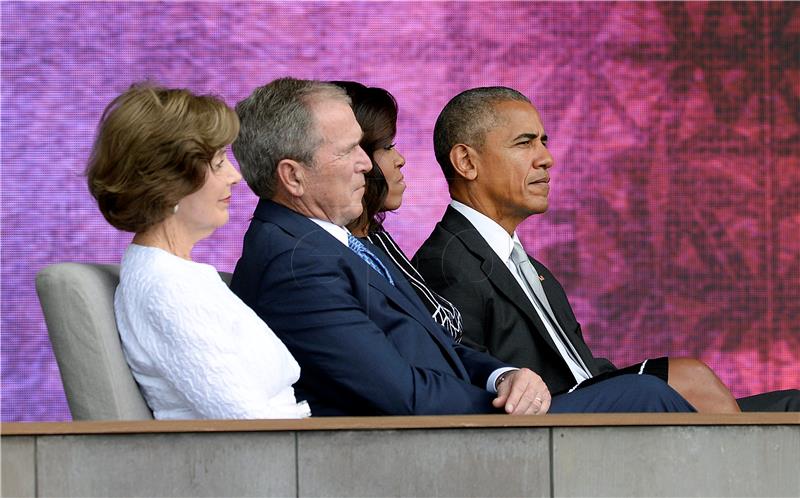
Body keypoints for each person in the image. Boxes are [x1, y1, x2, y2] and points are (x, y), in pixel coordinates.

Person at [230, 76, 695, 417]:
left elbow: (436, 346)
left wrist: (503, 376)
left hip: (468, 416)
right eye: (350, 151)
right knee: (646, 396)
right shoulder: (296, 263)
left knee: (656, 392)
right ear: (293, 175)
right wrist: (502, 404)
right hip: (443, 440)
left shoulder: (331, 243)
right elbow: (400, 395)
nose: (365, 165)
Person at [336, 82, 743, 413]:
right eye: (525, 143)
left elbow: (586, 368)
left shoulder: (532, 266)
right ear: (467, 162)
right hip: (545, 427)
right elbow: (463, 369)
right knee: (683, 378)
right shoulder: (447, 264)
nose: (546, 158)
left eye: (544, 142)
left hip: (587, 405)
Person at [85, 83, 310, 420]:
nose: (235, 176)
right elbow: (248, 424)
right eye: (219, 162)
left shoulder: (176, 274)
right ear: (170, 182)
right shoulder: (166, 289)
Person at [332, 81, 463, 342]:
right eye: (387, 147)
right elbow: (441, 326)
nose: (400, 159)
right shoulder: (338, 250)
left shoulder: (372, 234)